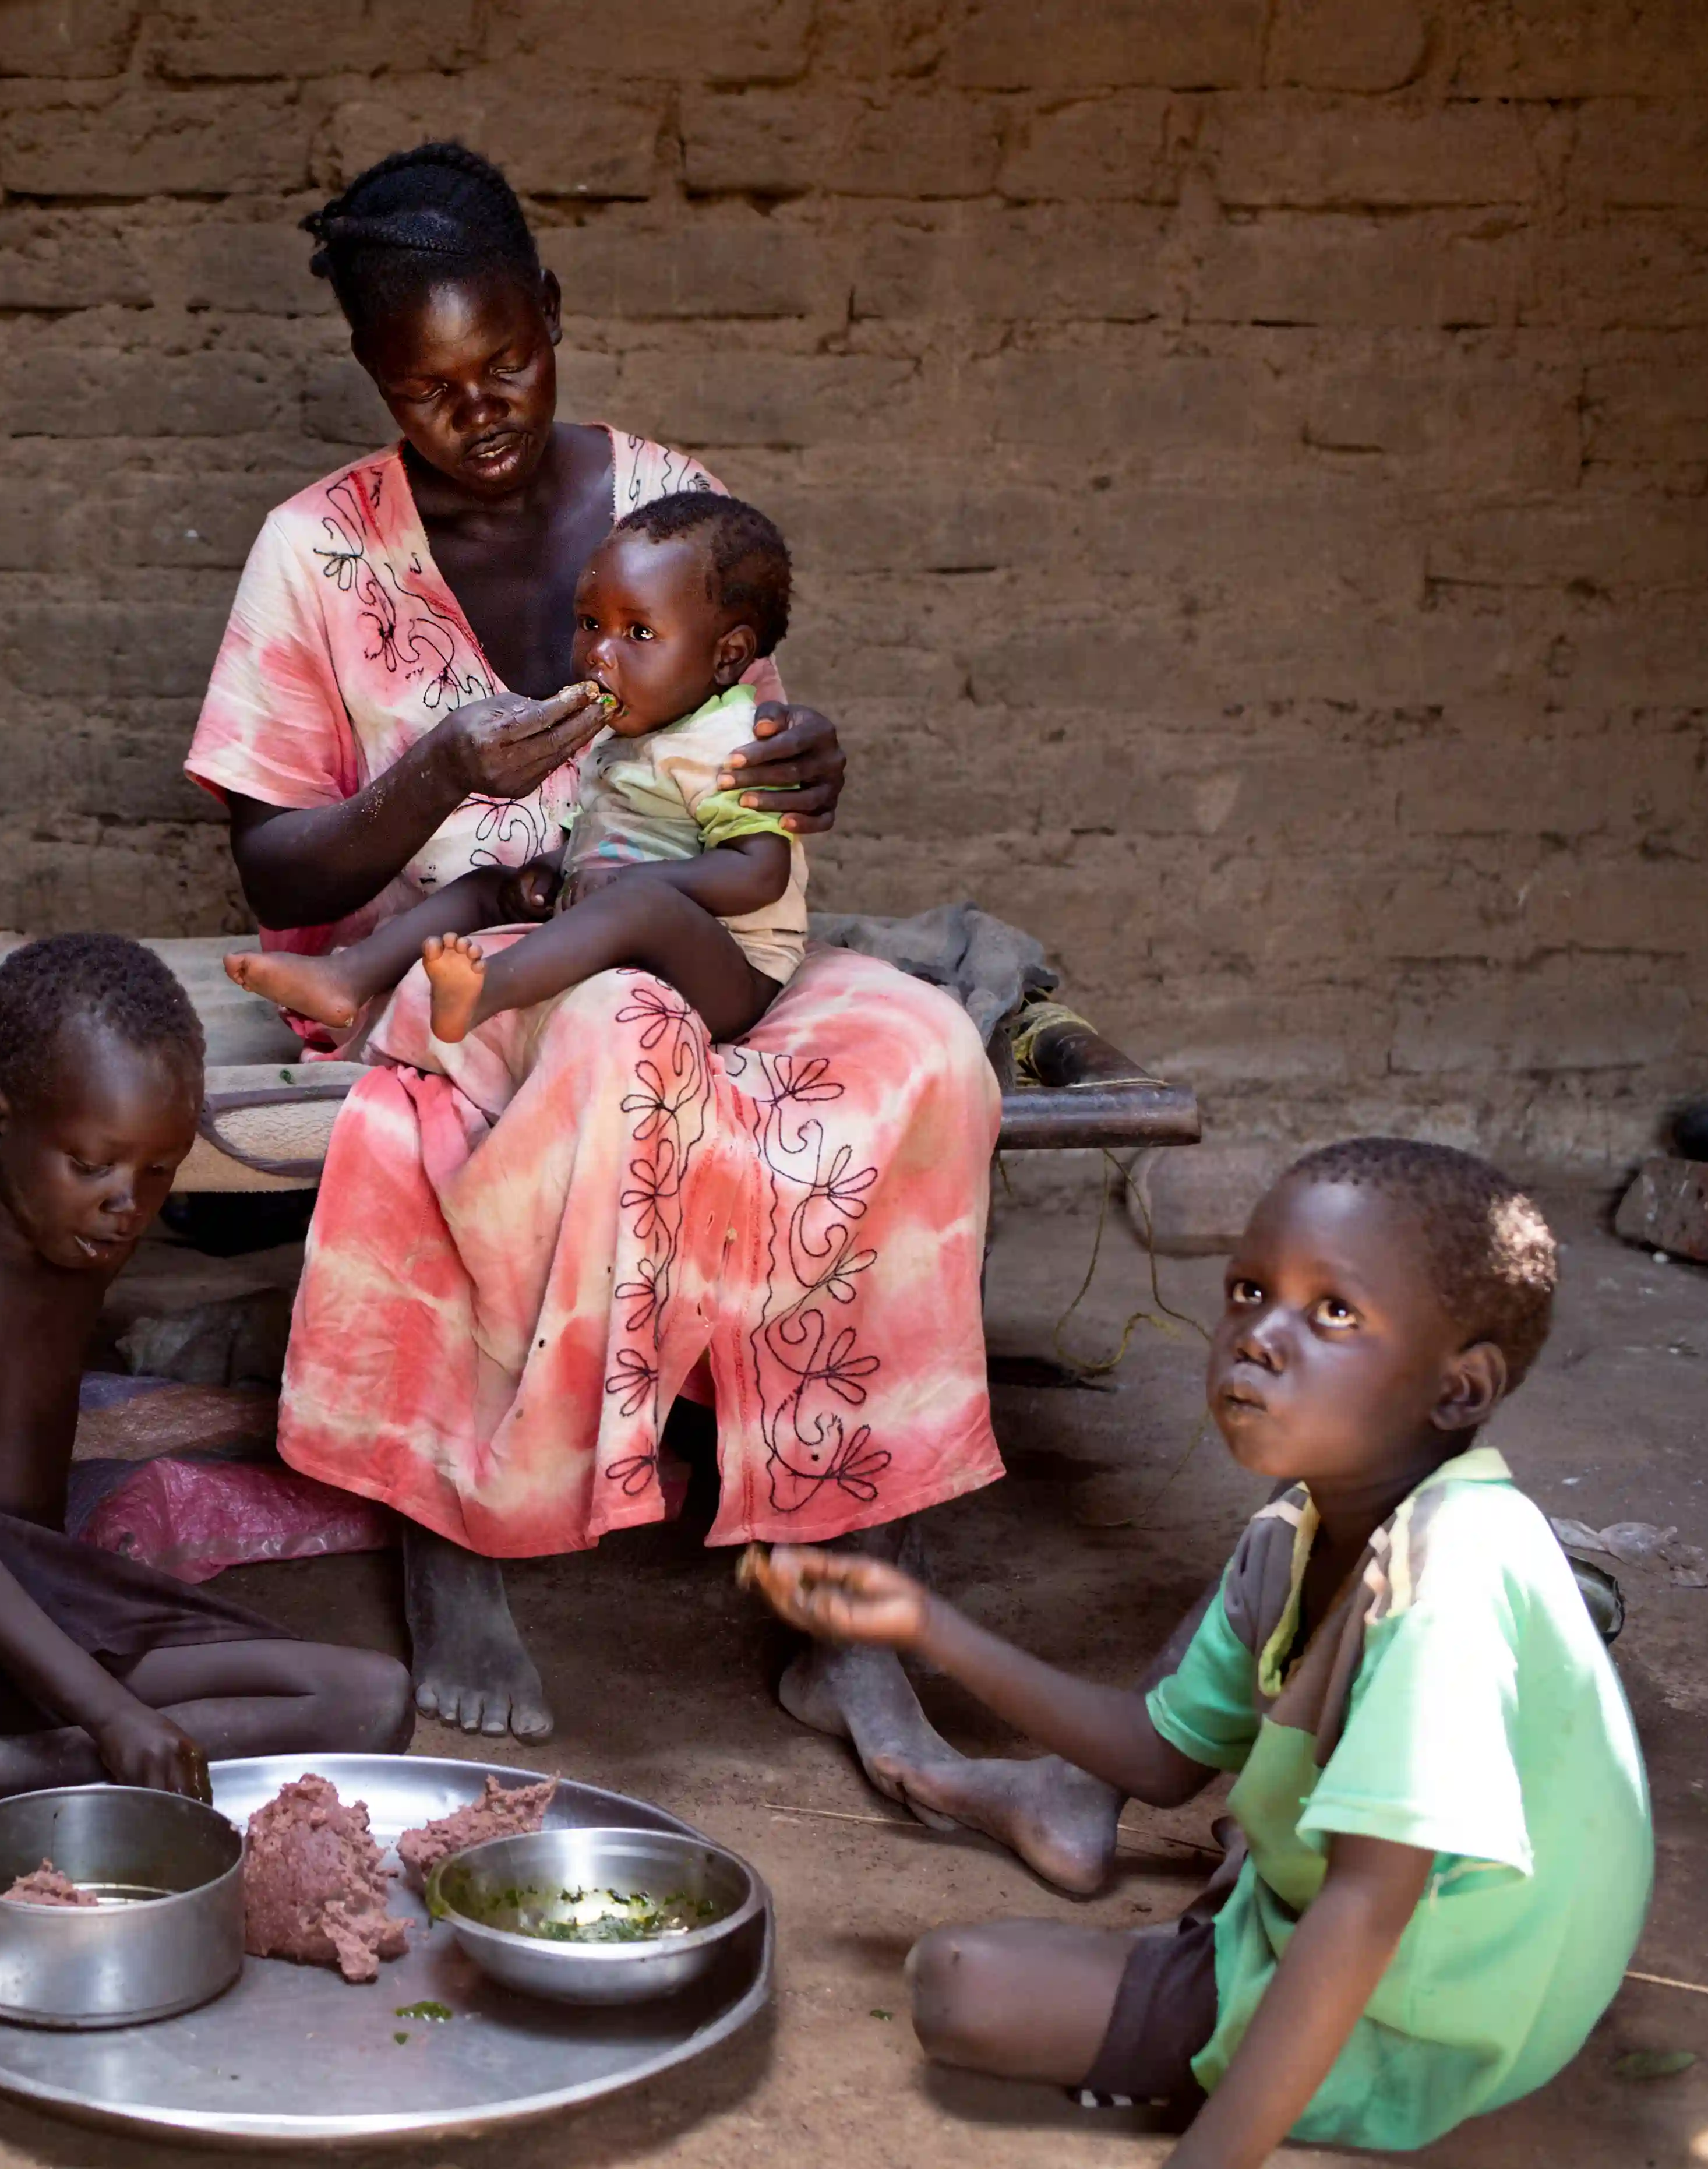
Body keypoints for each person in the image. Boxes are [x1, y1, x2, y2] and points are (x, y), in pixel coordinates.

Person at [190, 139, 1038, 1874]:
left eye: (506, 364)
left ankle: (846, 1576)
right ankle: (467, 1529)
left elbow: (746, 778)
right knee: (611, 1046)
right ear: (371, 380)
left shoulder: (664, 501)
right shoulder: (313, 553)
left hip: (671, 941)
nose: (477, 410)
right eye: (425, 389)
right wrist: (432, 768)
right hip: (460, 965)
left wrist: (806, 767)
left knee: (916, 1053)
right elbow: (274, 872)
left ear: (554, 320)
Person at [741, 1140, 1650, 2164]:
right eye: (1249, 1292)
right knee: (1265, 1828)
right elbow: (1156, 1754)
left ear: (1459, 1389)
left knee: (960, 1982)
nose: (1257, 1337)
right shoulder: (1300, 1527)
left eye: (1333, 1312)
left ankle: (1251, 1970)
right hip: (1456, 1950)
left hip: (1434, 2019)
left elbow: (1364, 1908)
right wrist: (923, 1623)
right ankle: (1241, 1882)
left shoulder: (1449, 1576)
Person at [0, 933, 412, 1868]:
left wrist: (106, 1705)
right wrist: (109, 1711)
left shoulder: (85, 1237)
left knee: (370, 1697)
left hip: (43, 1607)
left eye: (158, 1170)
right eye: (93, 1163)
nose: (127, 1204)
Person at [227, 488, 806, 1047]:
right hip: (629, 927)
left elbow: (756, 875)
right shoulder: (632, 730)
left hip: (729, 973)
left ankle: (486, 993)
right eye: (589, 624)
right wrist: (553, 870)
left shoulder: (732, 744)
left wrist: (628, 885)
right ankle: (345, 979)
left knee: (638, 906)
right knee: (488, 886)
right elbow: (611, 839)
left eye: (638, 633)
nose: (599, 654)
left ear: (727, 656)